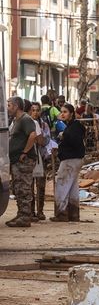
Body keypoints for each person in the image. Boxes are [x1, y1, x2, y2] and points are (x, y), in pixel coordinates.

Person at [6, 97, 38, 227]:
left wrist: (24, 152)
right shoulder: (16, 120)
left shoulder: (25, 119)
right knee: (18, 188)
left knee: (24, 188)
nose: (7, 108)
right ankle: (21, 214)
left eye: (9, 105)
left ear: (16, 106)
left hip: (24, 161)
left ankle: (25, 217)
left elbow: (33, 135)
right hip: (16, 161)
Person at [53, 104, 85, 222]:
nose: (62, 114)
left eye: (65, 112)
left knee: (62, 184)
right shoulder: (73, 126)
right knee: (72, 186)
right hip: (75, 159)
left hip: (70, 159)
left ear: (71, 113)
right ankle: (73, 214)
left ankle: (62, 213)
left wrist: (64, 136)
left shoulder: (73, 128)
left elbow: (73, 140)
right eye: (61, 112)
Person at [28, 103, 53, 222]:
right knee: (29, 186)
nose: (35, 112)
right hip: (29, 157)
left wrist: (39, 137)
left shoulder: (44, 125)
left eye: (37, 110)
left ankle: (40, 211)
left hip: (41, 157)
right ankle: (31, 211)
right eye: (33, 110)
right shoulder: (27, 124)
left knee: (40, 186)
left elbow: (45, 141)